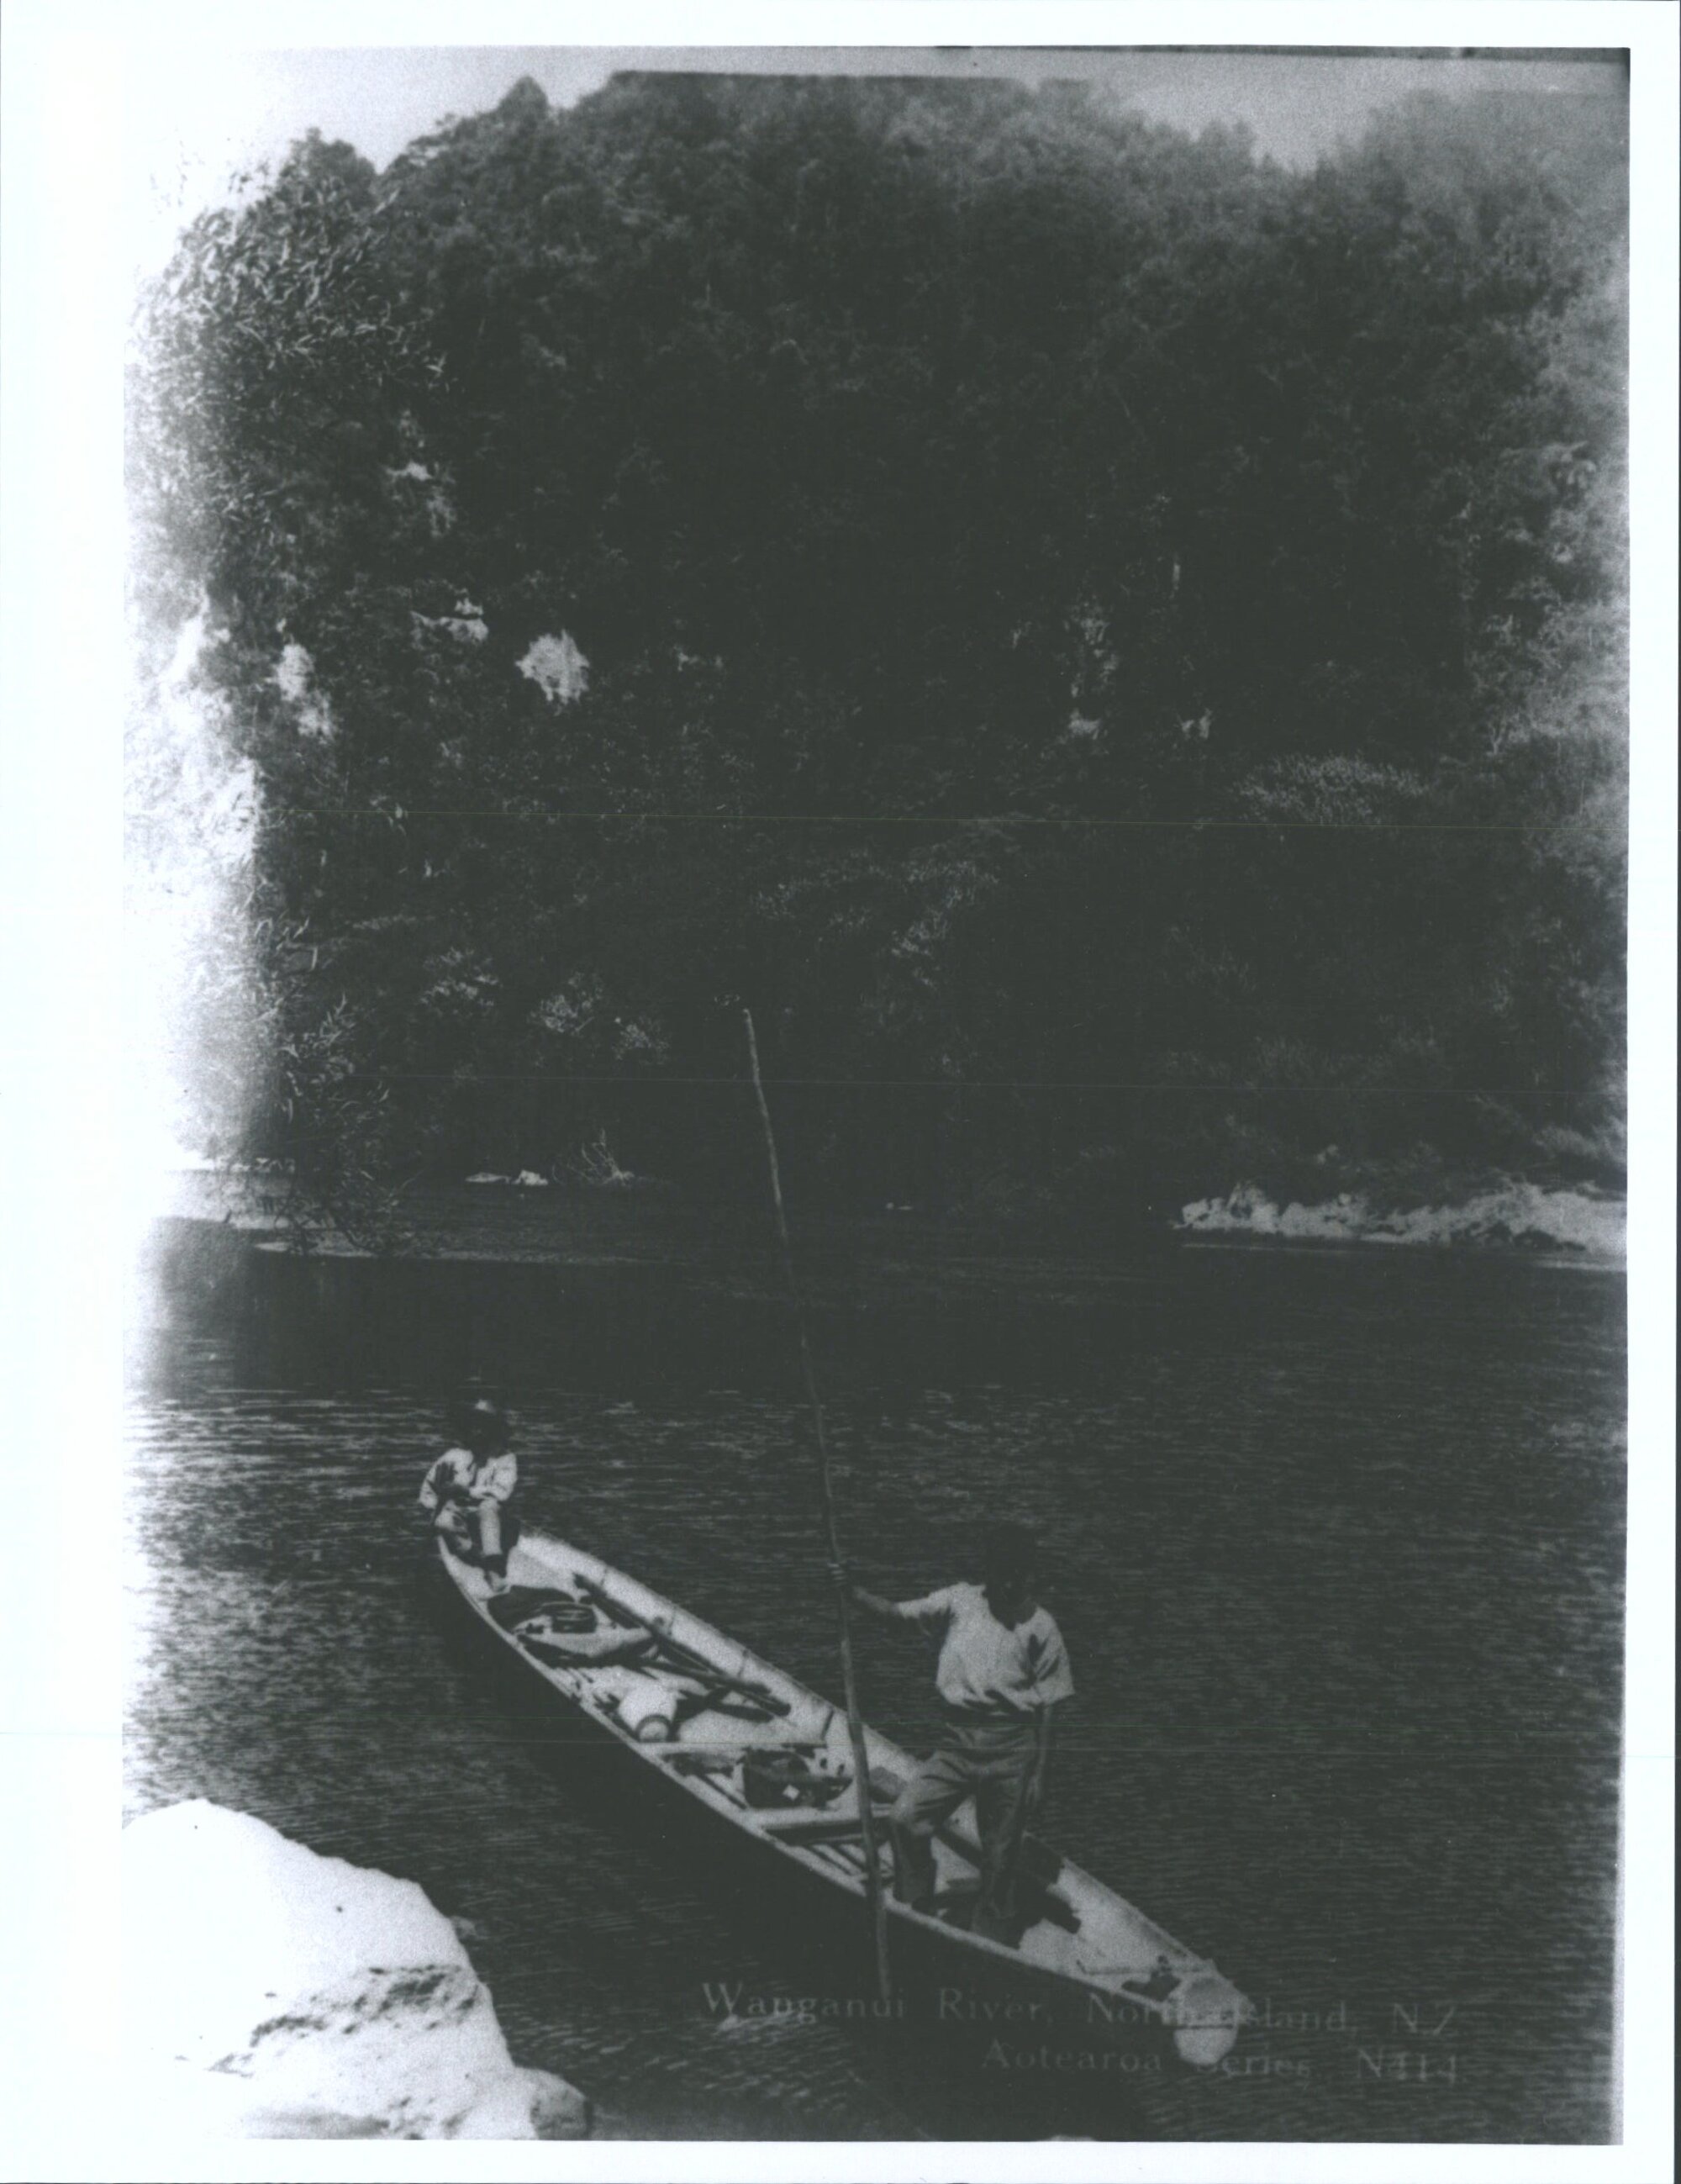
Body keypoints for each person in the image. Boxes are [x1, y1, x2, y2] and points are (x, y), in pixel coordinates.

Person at [848, 1523, 1072, 1941]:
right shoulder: (959, 1602)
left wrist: (1040, 1774)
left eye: (1019, 1576)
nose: (1012, 1585)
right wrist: (853, 1594)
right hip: (958, 1744)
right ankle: (915, 1900)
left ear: (1029, 1575)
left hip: (1012, 1750)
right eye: (1003, 1575)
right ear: (990, 1573)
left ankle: (990, 1937)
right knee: (905, 1817)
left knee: (999, 1857)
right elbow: (896, 1615)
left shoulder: (1042, 1628)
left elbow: (1051, 1706)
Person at [419, 1396, 519, 1593]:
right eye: (474, 1426)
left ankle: (493, 1569)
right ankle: (479, 1557)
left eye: (485, 1426)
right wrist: (435, 1507)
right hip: (460, 1514)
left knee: (489, 1507)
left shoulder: (505, 1459)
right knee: (444, 1522)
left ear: (494, 1431)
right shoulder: (453, 1456)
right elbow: (428, 1488)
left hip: (493, 1518)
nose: (478, 1431)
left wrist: (466, 1490)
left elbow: (502, 1493)